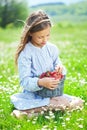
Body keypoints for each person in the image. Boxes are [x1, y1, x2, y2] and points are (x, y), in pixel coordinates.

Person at [11, 10, 83, 118]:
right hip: (34, 95)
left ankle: (32, 113)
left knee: (79, 102)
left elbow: (59, 66)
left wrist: (60, 68)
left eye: (47, 35)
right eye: (40, 37)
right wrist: (40, 82)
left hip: (52, 94)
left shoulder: (52, 49)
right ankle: (36, 110)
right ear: (30, 32)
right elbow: (24, 81)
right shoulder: (26, 53)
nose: (45, 40)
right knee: (63, 103)